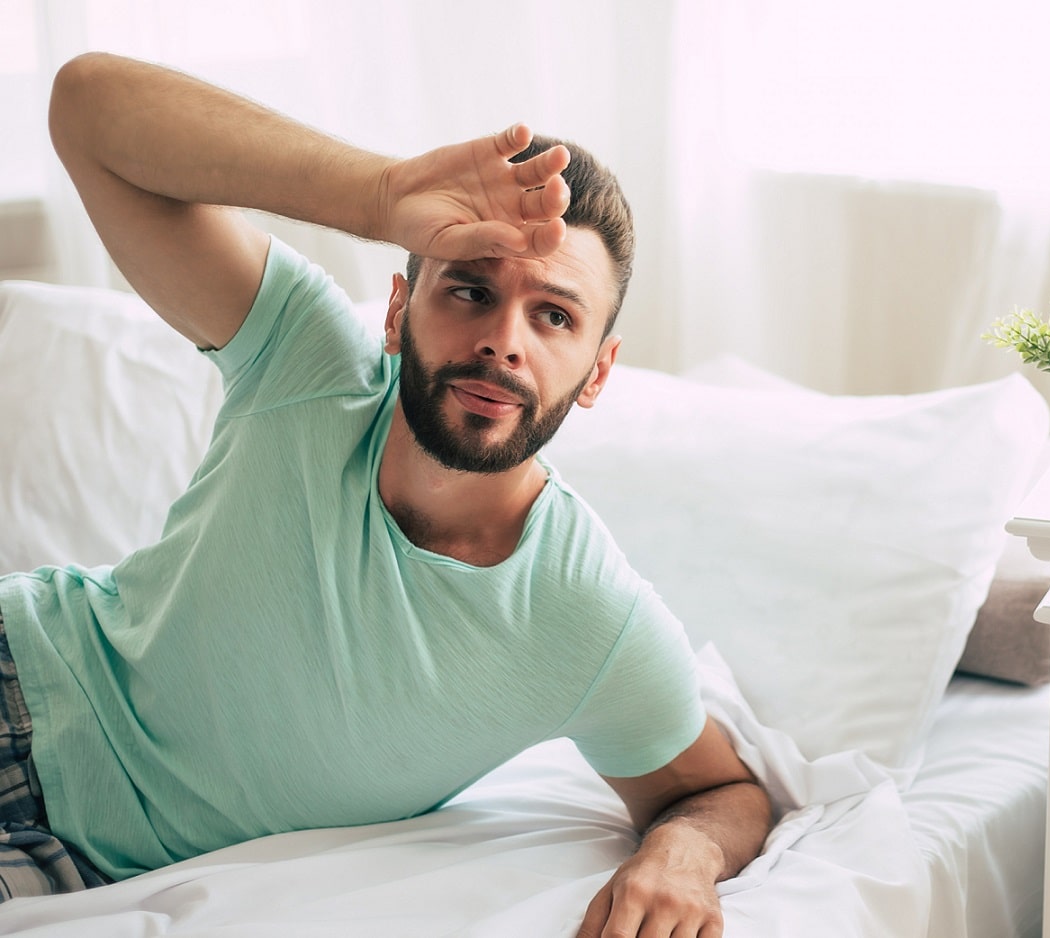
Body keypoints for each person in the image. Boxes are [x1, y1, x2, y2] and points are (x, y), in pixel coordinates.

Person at [0, 52, 771, 938]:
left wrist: (683, 855)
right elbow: (88, 107)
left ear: (597, 371)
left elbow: (720, 790)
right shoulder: (310, 364)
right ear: (400, 309)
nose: (502, 343)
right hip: (26, 668)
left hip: (75, 858)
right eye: (471, 289)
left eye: (553, 315)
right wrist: (380, 194)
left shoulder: (586, 618)